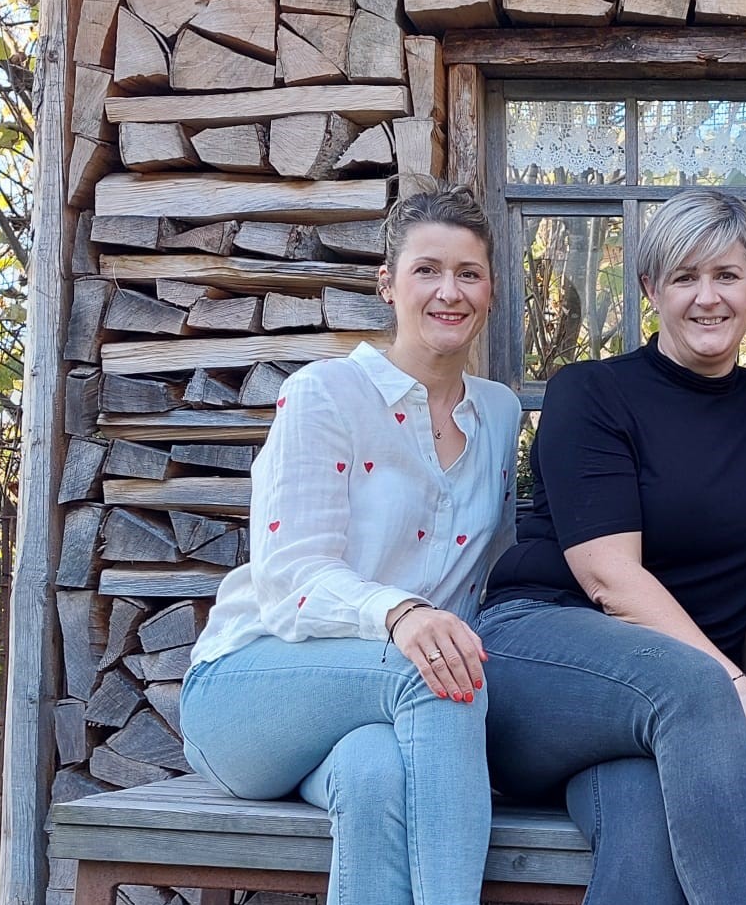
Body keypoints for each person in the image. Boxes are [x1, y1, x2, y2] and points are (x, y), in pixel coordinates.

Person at [179, 184, 520, 905]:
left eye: (469, 273)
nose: (449, 291)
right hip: (247, 692)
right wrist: (401, 614)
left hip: (379, 713)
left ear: (490, 290)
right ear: (387, 284)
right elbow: (290, 580)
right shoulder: (326, 393)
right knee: (442, 672)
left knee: (373, 774)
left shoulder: (498, 413)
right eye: (427, 270)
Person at [474, 187, 746, 905]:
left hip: (665, 716)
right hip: (540, 659)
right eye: (685, 277)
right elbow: (608, 578)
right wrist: (734, 694)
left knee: (642, 838)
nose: (707, 297)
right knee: (692, 691)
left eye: (726, 275)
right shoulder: (591, 392)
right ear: (651, 289)